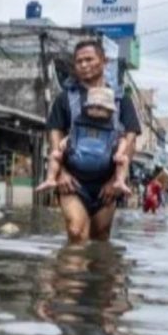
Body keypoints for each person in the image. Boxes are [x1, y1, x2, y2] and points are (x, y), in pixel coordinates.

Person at [37, 40, 141, 242]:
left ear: (104, 61)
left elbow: (130, 140)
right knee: (76, 233)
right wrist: (61, 174)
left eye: (89, 59)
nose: (83, 65)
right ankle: (70, 273)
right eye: (79, 61)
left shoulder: (121, 99)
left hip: (107, 183)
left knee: (101, 237)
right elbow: (54, 137)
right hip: (72, 182)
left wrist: (115, 181)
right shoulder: (65, 98)